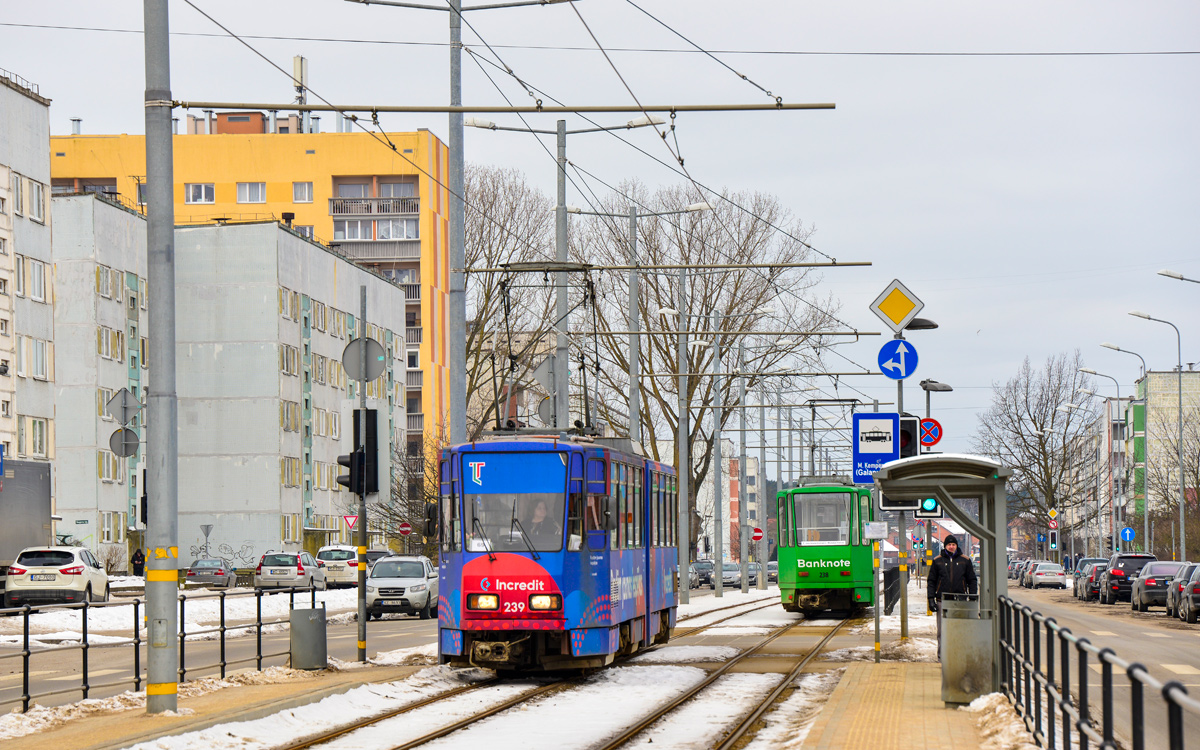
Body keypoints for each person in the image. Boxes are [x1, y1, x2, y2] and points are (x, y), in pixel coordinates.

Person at [927, 534, 978, 659]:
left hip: (959, 601)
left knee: (959, 629)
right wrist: (931, 599)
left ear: (956, 546)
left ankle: (958, 656)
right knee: (942, 631)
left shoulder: (964, 560)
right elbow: (931, 581)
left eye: (953, 544)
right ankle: (942, 657)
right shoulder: (937, 560)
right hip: (942, 600)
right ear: (945, 546)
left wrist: (972, 596)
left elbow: (972, 579)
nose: (951, 547)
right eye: (949, 545)